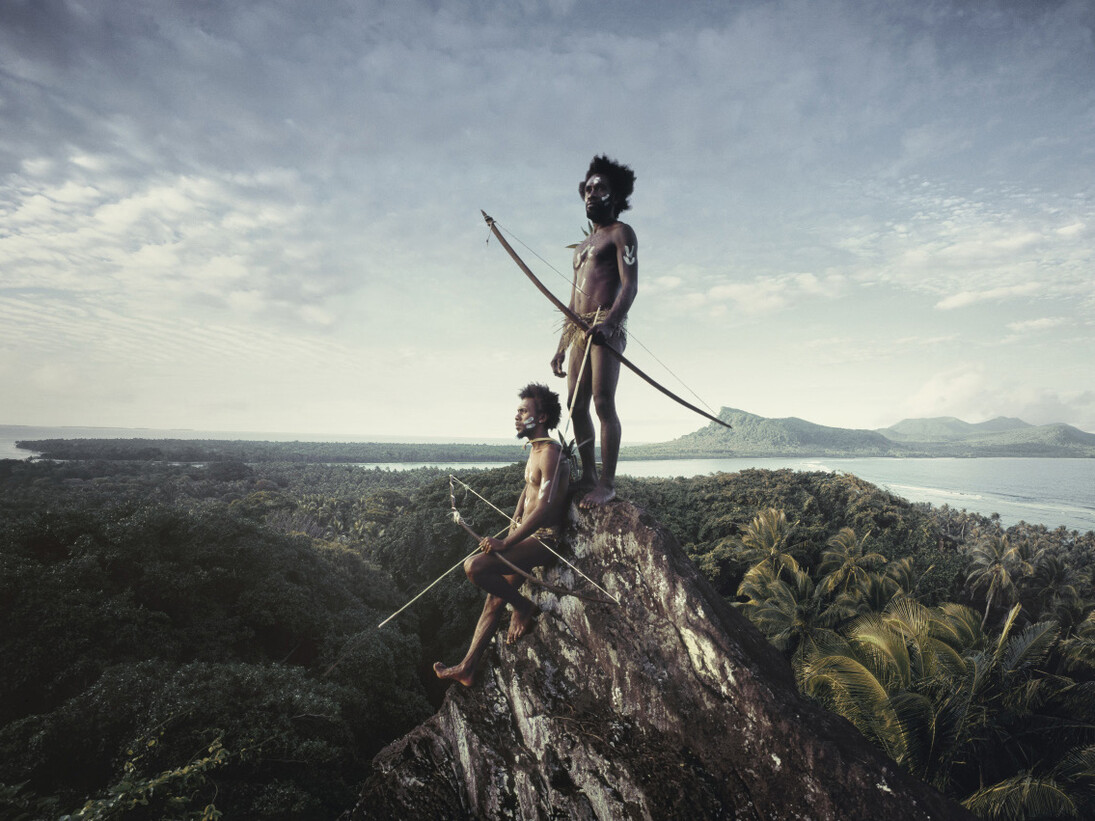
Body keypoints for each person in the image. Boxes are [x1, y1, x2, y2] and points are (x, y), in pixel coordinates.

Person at [433, 383, 571, 687]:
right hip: (526, 536)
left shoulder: (550, 453)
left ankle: (523, 607)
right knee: (494, 599)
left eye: (523, 411)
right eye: (517, 411)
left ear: (542, 417)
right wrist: (515, 519)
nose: (517, 416)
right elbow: (529, 489)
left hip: (544, 540)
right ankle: (467, 668)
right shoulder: (536, 450)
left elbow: (545, 507)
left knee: (474, 567)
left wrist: (507, 542)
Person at [550, 155, 638, 508]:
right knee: (575, 404)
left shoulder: (621, 233)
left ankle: (607, 483)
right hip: (579, 331)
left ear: (614, 195)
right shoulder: (583, 247)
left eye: (599, 188)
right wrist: (562, 346)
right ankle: (588, 475)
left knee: (602, 402)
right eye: (587, 189)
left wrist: (610, 324)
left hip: (606, 326)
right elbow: (573, 300)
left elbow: (630, 286)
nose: (591, 194)